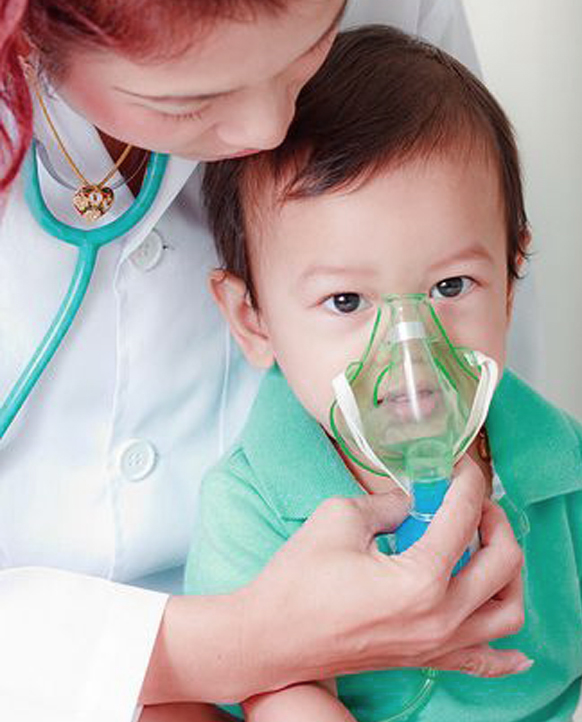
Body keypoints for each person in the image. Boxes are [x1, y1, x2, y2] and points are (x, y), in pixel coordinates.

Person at [0, 2, 527, 721]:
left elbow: (477, 295)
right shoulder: (251, 505)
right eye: (187, 100)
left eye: (311, 47)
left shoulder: (542, 449)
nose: (269, 131)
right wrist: (256, 644)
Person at [186, 26, 582, 721]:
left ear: (509, 280)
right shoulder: (252, 505)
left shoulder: (565, 464)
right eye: (347, 301)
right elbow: (281, 693)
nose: (411, 351)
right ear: (253, 320)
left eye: (451, 287)